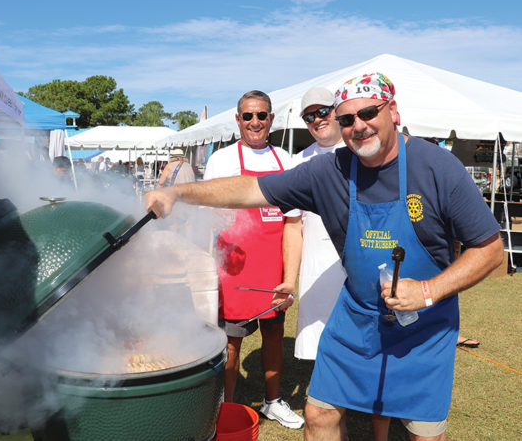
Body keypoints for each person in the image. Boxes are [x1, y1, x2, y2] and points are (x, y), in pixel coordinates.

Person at [145, 73, 504, 441]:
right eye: (347, 119)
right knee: (318, 415)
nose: (358, 126)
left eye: (368, 113)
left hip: (424, 326)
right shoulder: (329, 170)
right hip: (357, 320)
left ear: (392, 110)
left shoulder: (437, 167)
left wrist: (428, 291)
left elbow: (492, 251)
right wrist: (181, 193)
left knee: (423, 434)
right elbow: (253, 187)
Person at [201, 90, 304, 429]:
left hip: (273, 267)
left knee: (274, 335)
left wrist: (290, 276)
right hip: (234, 269)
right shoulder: (222, 160)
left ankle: (273, 401)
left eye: (262, 115)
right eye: (248, 116)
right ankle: (226, 407)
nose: (255, 122)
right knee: (231, 342)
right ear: (238, 120)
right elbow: (207, 213)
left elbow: (293, 223)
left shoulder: (287, 161)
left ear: (271, 119)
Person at [284, 87, 347, 361]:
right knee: (321, 345)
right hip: (316, 265)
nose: (318, 120)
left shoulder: (359, 151)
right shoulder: (298, 162)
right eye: (309, 117)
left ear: (337, 111)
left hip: (355, 259)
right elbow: (292, 225)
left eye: (323, 111)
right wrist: (289, 279)